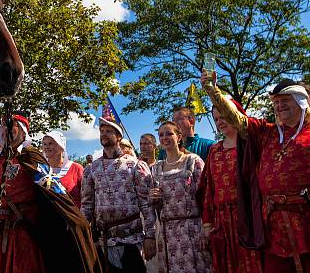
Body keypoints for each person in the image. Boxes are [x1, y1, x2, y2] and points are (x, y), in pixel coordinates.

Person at [202, 72, 310, 272]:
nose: (280, 106)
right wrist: (213, 91)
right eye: (276, 102)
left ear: (302, 102)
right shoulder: (268, 133)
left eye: (286, 100)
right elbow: (238, 120)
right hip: (274, 228)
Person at [0, 112, 100, 273]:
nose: (7, 129)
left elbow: (53, 190)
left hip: (21, 235)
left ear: (23, 131)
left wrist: (76, 221)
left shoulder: (30, 156)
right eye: (4, 125)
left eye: (13, 126)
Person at [81, 119, 153, 273]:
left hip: (132, 240)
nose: (104, 134)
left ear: (119, 137)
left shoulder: (135, 165)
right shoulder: (91, 169)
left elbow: (147, 204)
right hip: (103, 241)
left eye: (108, 131)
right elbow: (87, 206)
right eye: (102, 131)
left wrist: (151, 236)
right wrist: (82, 236)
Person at [198, 101, 262, 273]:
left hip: (249, 218)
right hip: (222, 222)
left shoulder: (252, 144)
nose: (220, 122)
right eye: (216, 119)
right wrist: (207, 223)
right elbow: (208, 189)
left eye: (224, 116)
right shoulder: (214, 150)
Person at [148, 122, 210, 273]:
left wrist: (205, 229)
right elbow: (153, 206)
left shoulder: (193, 161)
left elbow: (206, 196)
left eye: (169, 133)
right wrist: (154, 198)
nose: (164, 137)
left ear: (179, 137)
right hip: (167, 232)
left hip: (192, 229)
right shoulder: (155, 168)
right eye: (161, 135)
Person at [42, 131, 85, 208]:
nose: (47, 147)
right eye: (44, 144)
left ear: (61, 146)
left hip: (72, 217)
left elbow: (86, 197)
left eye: (51, 143)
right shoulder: (42, 170)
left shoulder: (76, 168)